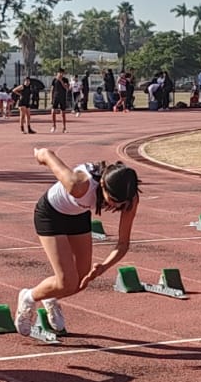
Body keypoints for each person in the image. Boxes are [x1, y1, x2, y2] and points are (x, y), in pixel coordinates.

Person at [17, 148, 141, 338]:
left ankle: (50, 297)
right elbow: (49, 156)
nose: (116, 206)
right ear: (102, 185)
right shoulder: (79, 184)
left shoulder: (130, 200)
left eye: (121, 203)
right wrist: (40, 154)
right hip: (51, 214)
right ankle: (28, 297)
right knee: (67, 280)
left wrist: (103, 267)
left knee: (81, 282)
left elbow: (123, 244)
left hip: (78, 215)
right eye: (112, 200)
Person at [49, 69, 70, 133]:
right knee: (53, 112)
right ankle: (53, 126)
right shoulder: (54, 80)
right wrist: (51, 98)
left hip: (62, 97)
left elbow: (66, 88)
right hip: (56, 97)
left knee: (63, 113)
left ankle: (64, 128)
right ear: (57, 73)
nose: (61, 74)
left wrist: (61, 81)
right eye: (59, 73)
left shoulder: (65, 80)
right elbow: (52, 90)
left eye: (62, 73)